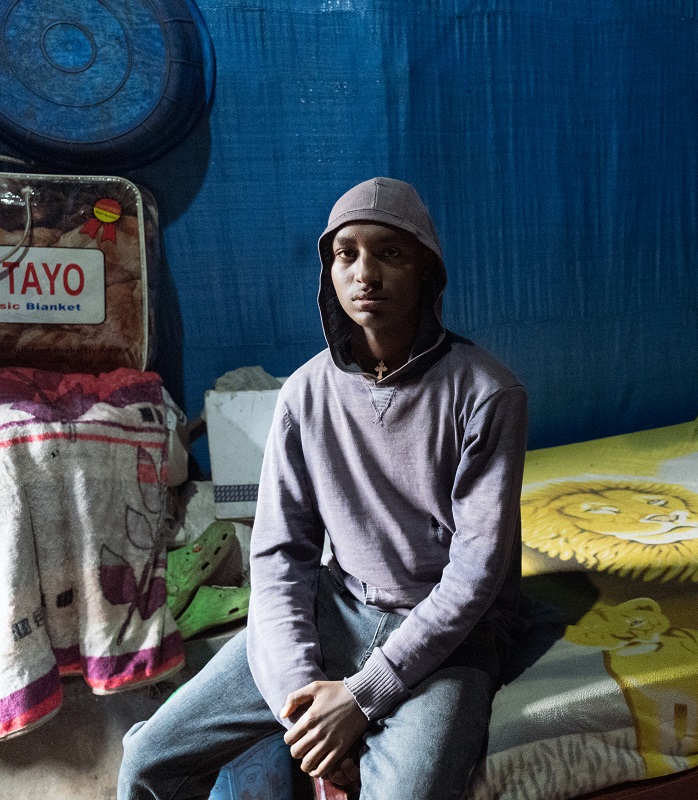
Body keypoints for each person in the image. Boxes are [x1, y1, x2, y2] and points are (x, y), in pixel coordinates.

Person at [119, 178, 529, 800]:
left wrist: (363, 698)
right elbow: (281, 552)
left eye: (390, 253)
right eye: (347, 254)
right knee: (150, 757)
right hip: (335, 607)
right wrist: (303, 705)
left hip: (448, 638)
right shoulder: (305, 394)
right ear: (329, 272)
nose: (366, 273)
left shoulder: (487, 394)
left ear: (427, 270)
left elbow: (477, 573)